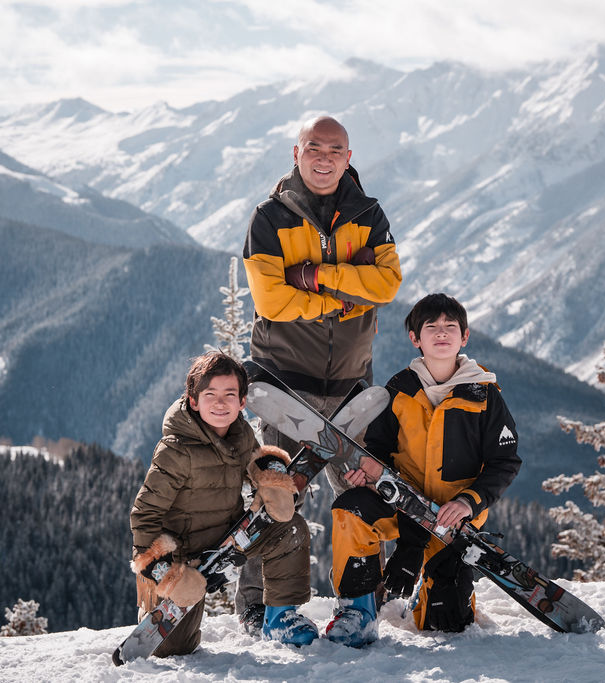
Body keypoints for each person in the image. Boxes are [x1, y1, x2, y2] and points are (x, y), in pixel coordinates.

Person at [238, 115, 402, 631]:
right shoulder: (269, 217)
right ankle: (257, 605)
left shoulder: (368, 214)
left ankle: (368, 599)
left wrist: (315, 278)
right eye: (315, 147)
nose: (325, 157)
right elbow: (270, 299)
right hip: (286, 382)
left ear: (349, 158)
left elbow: (388, 283)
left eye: (336, 149)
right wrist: (343, 300)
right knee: (277, 495)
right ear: (296, 152)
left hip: (351, 382)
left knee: (361, 494)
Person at [324, 293, 522, 647]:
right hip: (402, 506)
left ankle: (430, 590)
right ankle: (358, 610)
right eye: (431, 327)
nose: (441, 333)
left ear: (465, 337)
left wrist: (468, 502)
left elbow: (504, 462)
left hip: (453, 519)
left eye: (450, 327)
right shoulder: (399, 389)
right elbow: (379, 450)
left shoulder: (484, 395)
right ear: (416, 339)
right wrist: (368, 476)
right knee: (351, 507)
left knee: (447, 625)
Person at [129, 352, 318, 655]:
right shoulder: (175, 451)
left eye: (229, 395)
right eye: (210, 395)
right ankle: (153, 602)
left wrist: (275, 481)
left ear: (242, 402)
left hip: (228, 541)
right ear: (193, 401)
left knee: (289, 527)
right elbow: (144, 517)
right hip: (184, 561)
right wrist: (168, 574)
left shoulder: (240, 433)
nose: (220, 403)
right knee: (174, 649)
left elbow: (258, 459)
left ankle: (281, 617)